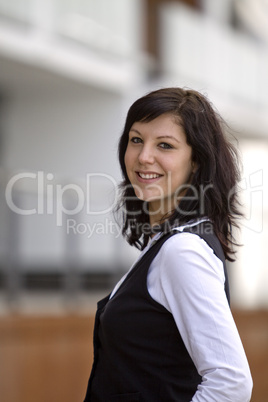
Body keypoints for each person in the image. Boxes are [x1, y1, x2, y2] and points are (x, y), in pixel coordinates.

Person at [84, 87, 253, 401]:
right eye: (136, 140)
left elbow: (231, 384)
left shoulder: (182, 251)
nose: (144, 156)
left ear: (197, 162)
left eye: (165, 145)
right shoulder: (165, 243)